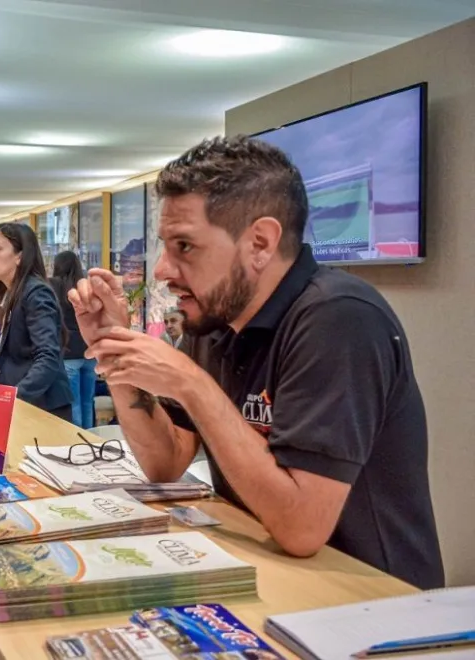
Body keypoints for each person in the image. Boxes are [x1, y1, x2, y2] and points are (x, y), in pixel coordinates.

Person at [70, 136, 443, 589]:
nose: (163, 270)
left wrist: (193, 384)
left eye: (185, 246)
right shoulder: (219, 320)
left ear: (261, 243)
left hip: (371, 599)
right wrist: (116, 349)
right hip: (275, 574)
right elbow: (164, 463)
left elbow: (302, 527)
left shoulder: (339, 318)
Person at [0, 222, 72, 419]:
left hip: (42, 406)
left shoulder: (36, 292)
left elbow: (48, 357)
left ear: (19, 256)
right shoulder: (10, 293)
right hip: (25, 403)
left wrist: (14, 396)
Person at [50, 251, 96, 429]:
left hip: (68, 351)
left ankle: (78, 444)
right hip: (89, 350)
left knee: (74, 404)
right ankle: (91, 439)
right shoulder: (85, 288)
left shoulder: (54, 286)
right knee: (87, 402)